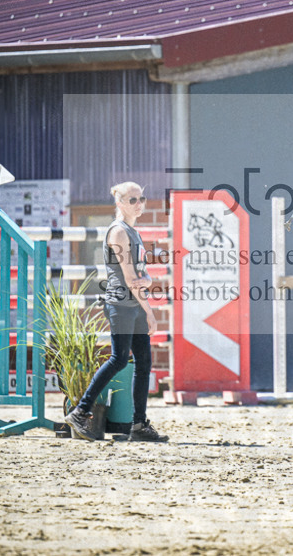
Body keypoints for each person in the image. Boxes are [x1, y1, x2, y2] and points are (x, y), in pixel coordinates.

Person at [65, 182, 169, 443]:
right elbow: (133, 278)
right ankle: (80, 411)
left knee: (143, 363)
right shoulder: (119, 232)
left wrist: (144, 288)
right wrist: (150, 310)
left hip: (132, 306)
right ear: (120, 203)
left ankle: (138, 425)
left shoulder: (133, 232)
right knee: (119, 359)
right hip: (121, 306)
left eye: (142, 198)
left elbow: (140, 277)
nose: (139, 204)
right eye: (133, 200)